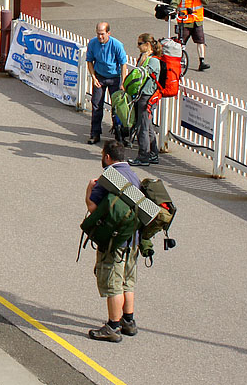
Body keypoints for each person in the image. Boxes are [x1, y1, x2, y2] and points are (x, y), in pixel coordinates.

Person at [85, 142, 142, 342]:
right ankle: (128, 321)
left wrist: (89, 189)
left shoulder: (108, 178)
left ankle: (113, 326)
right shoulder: (133, 176)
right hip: (133, 239)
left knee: (113, 284)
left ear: (108, 157)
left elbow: (93, 207)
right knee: (128, 282)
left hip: (115, 241)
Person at [86, 22, 128, 145]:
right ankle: (95, 133)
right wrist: (94, 77)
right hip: (99, 76)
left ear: (108, 33)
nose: (100, 37)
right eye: (98, 34)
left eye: (102, 34)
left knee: (117, 108)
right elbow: (89, 61)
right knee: (96, 105)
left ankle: (119, 135)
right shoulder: (93, 43)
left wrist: (123, 81)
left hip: (114, 78)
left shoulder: (117, 45)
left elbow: (123, 64)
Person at [129, 36, 163, 166]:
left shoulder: (152, 61)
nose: (138, 46)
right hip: (145, 96)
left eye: (140, 44)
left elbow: (140, 76)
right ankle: (153, 154)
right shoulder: (148, 58)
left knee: (142, 127)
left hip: (146, 97)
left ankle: (143, 157)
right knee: (148, 126)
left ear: (147, 44)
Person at [170, 0, 210, 71]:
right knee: (181, 42)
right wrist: (174, 10)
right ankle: (181, 59)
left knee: (201, 41)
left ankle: (202, 61)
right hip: (185, 21)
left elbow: (206, 1)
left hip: (197, 21)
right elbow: (174, 3)